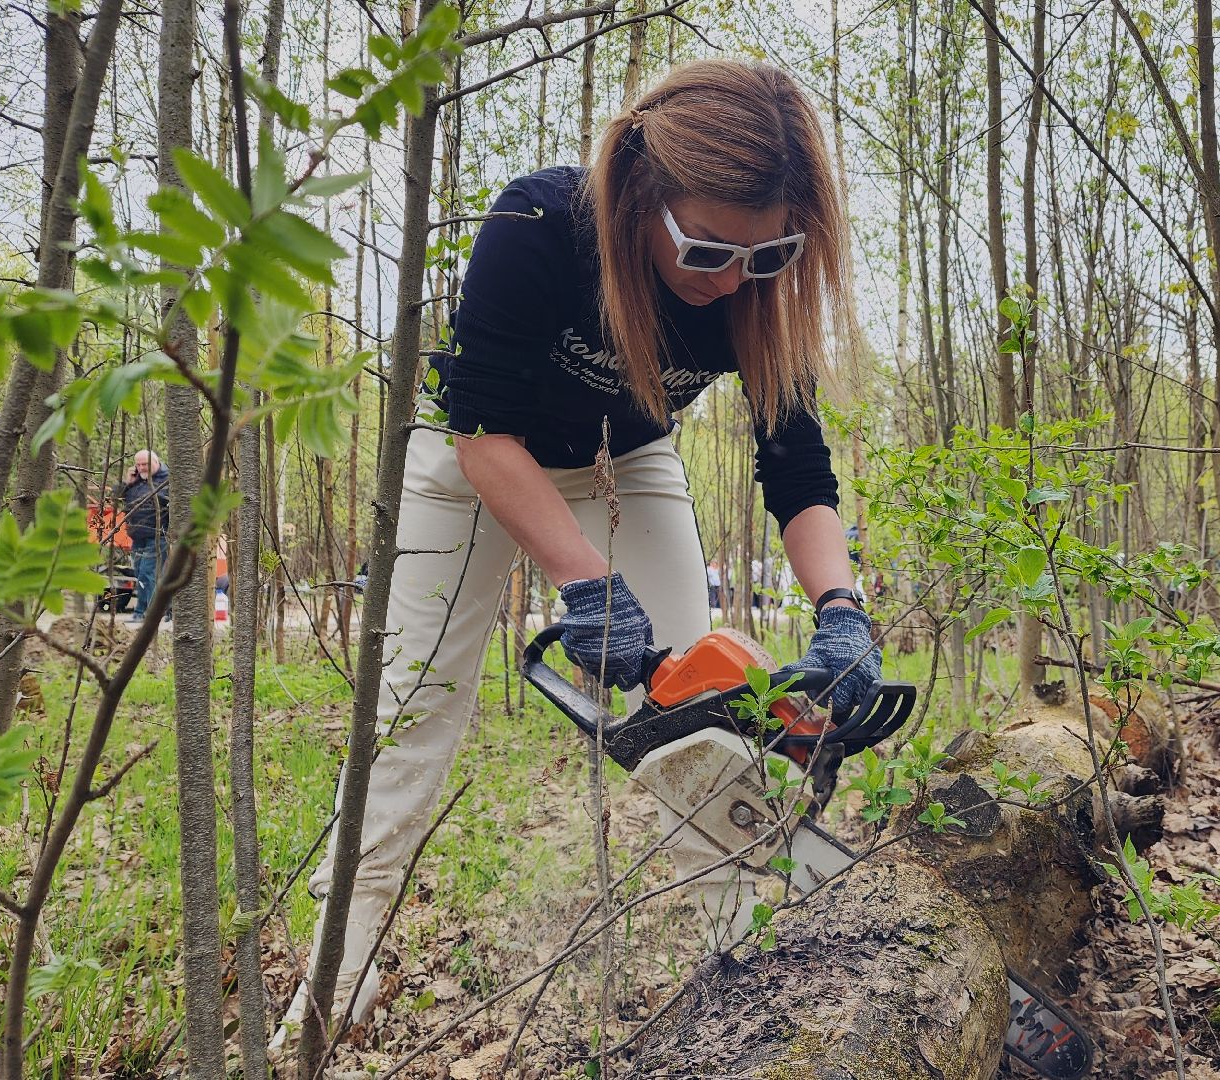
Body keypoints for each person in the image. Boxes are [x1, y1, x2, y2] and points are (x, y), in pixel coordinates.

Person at [281, 59, 881, 1037]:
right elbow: (481, 428)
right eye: (707, 249)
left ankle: (757, 988)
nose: (732, 279)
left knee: (706, 710)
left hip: (627, 455)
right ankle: (325, 995)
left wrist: (842, 609)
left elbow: (800, 474)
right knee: (410, 719)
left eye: (764, 257)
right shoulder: (540, 226)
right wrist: (584, 582)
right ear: (642, 187)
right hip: (479, 455)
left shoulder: (756, 291)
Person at [119, 450, 168, 621]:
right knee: (140, 573)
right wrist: (127, 483)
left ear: (155, 462)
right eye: (138, 465)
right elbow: (118, 499)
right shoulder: (136, 481)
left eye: (144, 464)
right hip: (137, 536)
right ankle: (157, 612)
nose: (140, 468)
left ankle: (146, 614)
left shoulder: (167, 479)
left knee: (148, 573)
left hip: (158, 535)